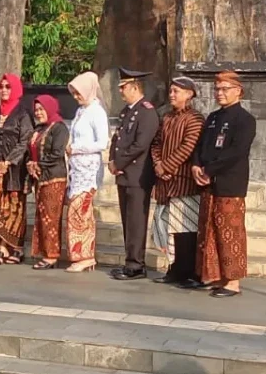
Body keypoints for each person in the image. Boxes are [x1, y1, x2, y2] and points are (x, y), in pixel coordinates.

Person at [192, 70, 257, 298]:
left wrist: (210, 170)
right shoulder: (212, 118)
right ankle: (215, 276)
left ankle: (233, 281)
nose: (220, 93)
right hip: (208, 183)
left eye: (225, 89)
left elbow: (237, 152)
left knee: (230, 232)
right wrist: (196, 165)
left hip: (230, 183)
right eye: (217, 89)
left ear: (238, 91)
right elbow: (200, 146)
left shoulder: (245, 120)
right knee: (209, 231)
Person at [150, 77, 206, 288]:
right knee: (167, 227)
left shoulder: (195, 118)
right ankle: (173, 270)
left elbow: (188, 147)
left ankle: (188, 271)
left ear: (189, 94)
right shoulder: (166, 117)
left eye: (177, 91)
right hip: (165, 182)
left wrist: (167, 166)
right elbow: (156, 144)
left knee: (185, 229)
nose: (172, 95)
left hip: (184, 182)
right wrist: (158, 164)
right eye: (171, 91)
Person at [108, 67, 159, 281]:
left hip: (137, 174)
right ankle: (130, 260)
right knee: (128, 220)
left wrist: (119, 162)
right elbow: (117, 139)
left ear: (135, 87)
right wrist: (112, 160)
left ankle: (136, 265)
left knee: (136, 220)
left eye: (124, 87)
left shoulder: (146, 112)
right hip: (124, 173)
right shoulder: (126, 111)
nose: (121, 91)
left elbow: (140, 144)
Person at [0, 73, 33, 265]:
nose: (4, 90)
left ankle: (17, 248)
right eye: (1, 86)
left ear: (16, 89)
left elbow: (25, 140)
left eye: (8, 86)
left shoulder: (23, 114)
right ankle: (1, 248)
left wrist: (8, 162)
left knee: (14, 208)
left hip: (15, 169)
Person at [65, 71, 109, 273]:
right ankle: (81, 255)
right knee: (77, 214)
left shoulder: (96, 112)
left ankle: (85, 255)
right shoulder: (81, 111)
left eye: (79, 93)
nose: (76, 97)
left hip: (88, 171)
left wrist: (76, 148)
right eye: (73, 93)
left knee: (80, 213)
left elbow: (102, 142)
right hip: (76, 170)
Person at [27, 95, 69, 270]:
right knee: (43, 217)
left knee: (51, 218)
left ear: (50, 108)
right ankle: (45, 252)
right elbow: (31, 151)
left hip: (54, 178)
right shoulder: (39, 129)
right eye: (36, 110)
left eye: (41, 109)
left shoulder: (59, 128)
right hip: (40, 178)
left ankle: (51, 256)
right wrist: (30, 164)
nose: (38, 113)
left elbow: (57, 153)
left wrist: (38, 164)